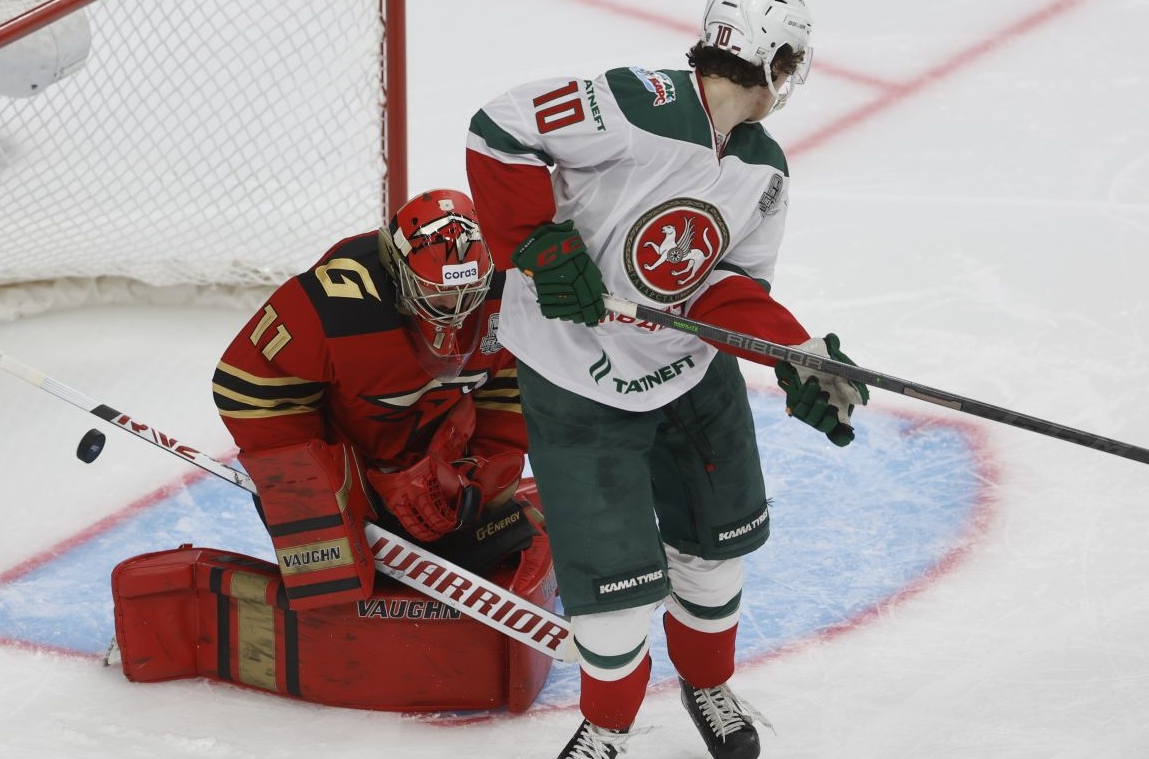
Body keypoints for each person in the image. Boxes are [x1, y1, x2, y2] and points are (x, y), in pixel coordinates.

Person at [466, 1, 867, 756]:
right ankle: (608, 727)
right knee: (612, 590)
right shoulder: (634, 103)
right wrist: (543, 247)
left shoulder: (763, 169)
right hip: (573, 371)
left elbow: (727, 287)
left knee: (719, 544)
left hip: (687, 369)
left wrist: (793, 351)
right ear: (777, 61)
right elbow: (499, 129)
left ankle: (706, 683)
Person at [198, 189, 553, 711]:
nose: (455, 312)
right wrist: (335, 488)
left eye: (468, 293)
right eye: (437, 294)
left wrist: (478, 472)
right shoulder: (334, 303)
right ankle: (345, 535)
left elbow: (512, 387)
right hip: (345, 451)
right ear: (399, 270)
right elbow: (246, 386)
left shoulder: (510, 288)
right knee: (329, 567)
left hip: (437, 443)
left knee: (488, 526)